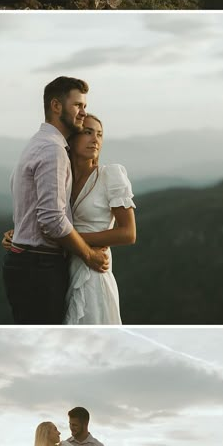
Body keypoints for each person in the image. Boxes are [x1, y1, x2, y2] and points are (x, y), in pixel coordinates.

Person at [2, 77, 109, 325]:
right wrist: (89, 255)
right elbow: (52, 219)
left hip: (26, 261)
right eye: (78, 105)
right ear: (56, 106)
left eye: (84, 106)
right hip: (40, 266)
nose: (83, 112)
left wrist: (18, 233)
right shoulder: (53, 150)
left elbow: (27, 203)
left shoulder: (36, 143)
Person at [64, 113, 136, 324]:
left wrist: (69, 239)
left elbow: (128, 233)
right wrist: (21, 234)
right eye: (87, 132)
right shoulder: (62, 178)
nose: (95, 139)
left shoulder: (110, 175)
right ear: (72, 138)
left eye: (100, 135)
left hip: (93, 272)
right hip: (63, 269)